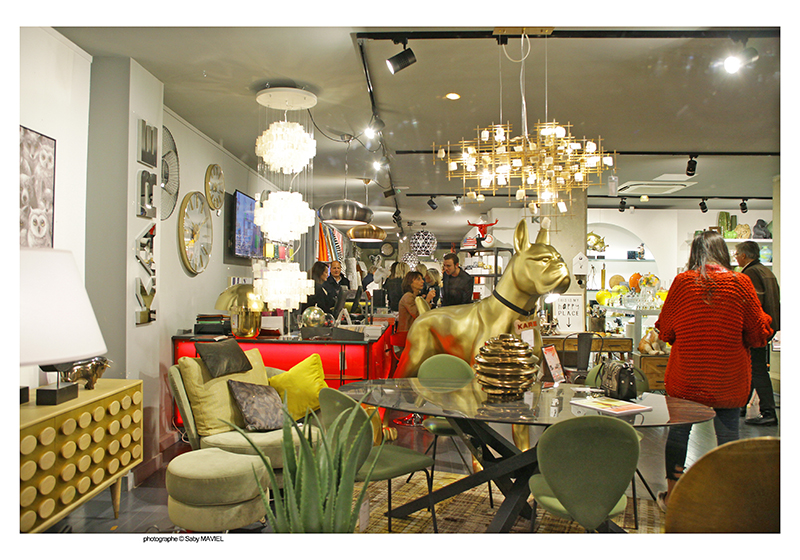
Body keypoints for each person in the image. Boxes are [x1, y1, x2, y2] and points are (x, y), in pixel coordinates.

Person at [654, 231, 772, 511]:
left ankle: (673, 497)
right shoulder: (740, 283)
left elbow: (666, 329)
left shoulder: (683, 283)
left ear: (694, 252)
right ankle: (727, 502)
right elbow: (758, 334)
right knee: (728, 437)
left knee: (679, 435)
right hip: (727, 377)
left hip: (687, 376)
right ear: (725, 253)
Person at [735, 241, 781, 426]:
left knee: (757, 369)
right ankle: (741, 405)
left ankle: (768, 412)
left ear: (744, 255)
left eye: (737, 254)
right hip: (768, 326)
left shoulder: (750, 273)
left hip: (757, 329)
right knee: (753, 367)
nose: (736, 257)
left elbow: (752, 305)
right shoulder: (765, 271)